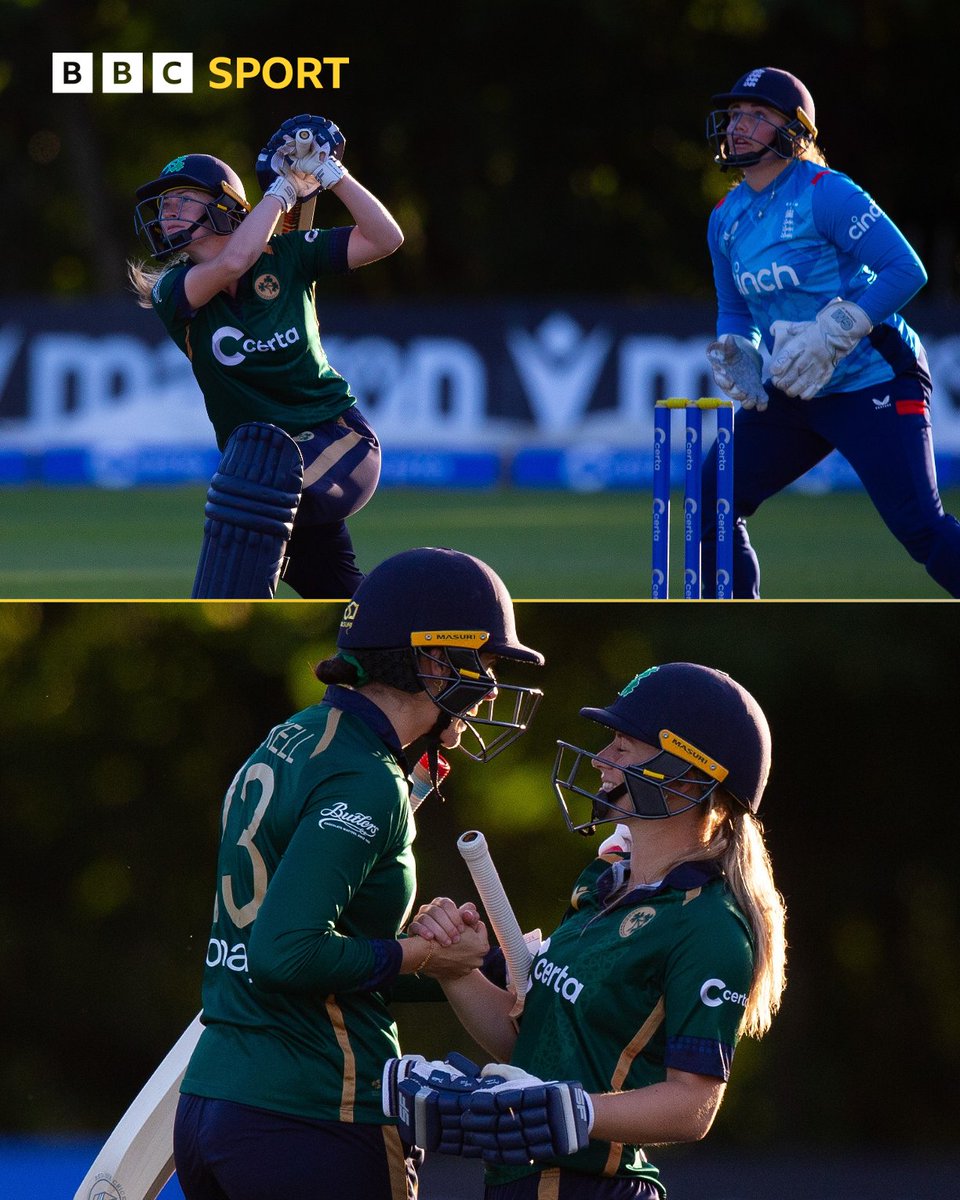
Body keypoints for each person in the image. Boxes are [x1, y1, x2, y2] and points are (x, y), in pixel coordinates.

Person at [171, 547, 545, 1200]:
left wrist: (453, 967)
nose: (488, 690)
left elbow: (333, 962)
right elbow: (286, 955)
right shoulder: (366, 778)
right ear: (431, 658)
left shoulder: (297, 734)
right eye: (481, 663)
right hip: (314, 1111)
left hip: (214, 1107)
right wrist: (423, 951)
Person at [401, 662, 786, 1199]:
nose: (602, 760)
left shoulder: (709, 925)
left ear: (688, 774)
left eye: (623, 747)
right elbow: (530, 1047)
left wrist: (569, 1109)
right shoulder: (601, 883)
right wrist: (454, 967)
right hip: (521, 1183)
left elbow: (693, 1106)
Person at [701, 67, 960, 597]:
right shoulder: (725, 219)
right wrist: (742, 350)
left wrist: (835, 330)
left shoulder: (827, 193)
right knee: (709, 506)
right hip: (797, 387)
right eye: (734, 115)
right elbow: (734, 310)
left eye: (757, 116)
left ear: (792, 131)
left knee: (921, 530)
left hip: (874, 379)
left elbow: (906, 270)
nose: (739, 126)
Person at [129, 115, 403, 599]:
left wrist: (330, 173)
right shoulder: (175, 289)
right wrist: (284, 191)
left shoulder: (290, 256)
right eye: (165, 204)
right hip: (259, 464)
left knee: (245, 515)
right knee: (338, 595)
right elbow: (233, 261)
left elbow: (387, 238)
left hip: (336, 442)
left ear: (224, 208)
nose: (167, 213)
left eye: (181, 201)